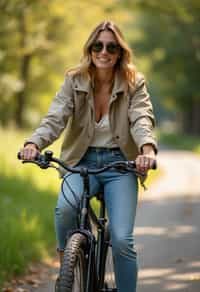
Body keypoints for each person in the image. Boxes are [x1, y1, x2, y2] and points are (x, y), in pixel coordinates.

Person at [20, 20, 157, 292]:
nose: (103, 52)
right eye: (98, 45)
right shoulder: (75, 79)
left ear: (120, 52)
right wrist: (34, 142)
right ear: (90, 49)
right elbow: (56, 117)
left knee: (120, 239)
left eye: (111, 47)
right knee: (66, 209)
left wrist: (147, 149)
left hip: (121, 164)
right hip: (80, 161)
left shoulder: (133, 82)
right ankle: (67, 266)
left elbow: (141, 117)